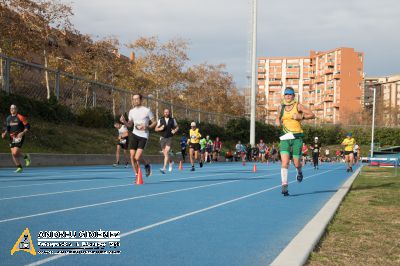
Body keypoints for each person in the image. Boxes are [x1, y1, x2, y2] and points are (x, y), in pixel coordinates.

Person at [276, 87, 315, 196]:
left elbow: (312, 114)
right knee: (285, 162)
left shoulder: (298, 106)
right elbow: (278, 118)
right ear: (284, 96)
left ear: (293, 96)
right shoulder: (281, 107)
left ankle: (300, 171)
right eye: (286, 94)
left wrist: (301, 116)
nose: (288, 96)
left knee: (297, 162)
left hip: (297, 137)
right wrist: (277, 121)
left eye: (290, 94)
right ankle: (284, 185)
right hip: (284, 137)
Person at [120, 93, 156, 178]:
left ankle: (146, 165)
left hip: (143, 136)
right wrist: (124, 121)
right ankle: (137, 175)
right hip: (134, 134)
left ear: (141, 100)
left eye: (137, 99)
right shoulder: (131, 111)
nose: (135, 100)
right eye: (133, 99)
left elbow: (154, 122)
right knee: (132, 156)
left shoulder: (147, 110)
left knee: (137, 157)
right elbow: (130, 125)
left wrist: (147, 126)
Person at [1, 104, 31, 173]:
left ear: (16, 109)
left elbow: (27, 126)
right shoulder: (8, 118)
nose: (11, 109)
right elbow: (8, 128)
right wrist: (4, 133)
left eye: (13, 108)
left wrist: (22, 133)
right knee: (13, 154)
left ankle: (26, 157)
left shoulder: (20, 117)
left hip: (19, 136)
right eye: (10, 108)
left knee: (15, 152)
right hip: (12, 137)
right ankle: (19, 167)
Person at [155, 108, 179, 174]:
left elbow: (177, 127)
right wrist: (160, 128)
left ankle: (164, 168)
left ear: (169, 113)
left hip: (169, 138)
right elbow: (156, 129)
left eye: (167, 112)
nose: (166, 113)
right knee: (165, 154)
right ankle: (170, 162)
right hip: (162, 138)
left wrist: (175, 130)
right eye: (165, 112)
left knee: (166, 151)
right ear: (163, 113)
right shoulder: (160, 119)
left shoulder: (173, 120)